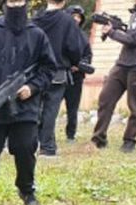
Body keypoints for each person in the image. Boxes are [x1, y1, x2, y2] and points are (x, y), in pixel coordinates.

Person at [0, 0, 57, 205]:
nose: (16, 5)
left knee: (26, 149)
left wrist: (32, 87)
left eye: (20, 1)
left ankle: (27, 192)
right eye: (12, 0)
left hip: (26, 107)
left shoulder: (37, 35)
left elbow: (49, 68)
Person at [91, 0, 136, 153]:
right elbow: (129, 34)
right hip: (123, 63)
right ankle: (98, 139)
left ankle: (129, 142)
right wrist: (115, 29)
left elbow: (134, 39)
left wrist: (112, 32)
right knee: (105, 98)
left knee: (135, 106)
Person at [32, 0, 87, 157]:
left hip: (37, 71)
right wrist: (74, 61)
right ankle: (47, 147)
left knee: (35, 108)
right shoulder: (67, 21)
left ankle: (32, 143)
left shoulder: (36, 19)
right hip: (57, 71)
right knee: (50, 110)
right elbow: (74, 48)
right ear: (63, 2)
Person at [63, 5, 92, 142]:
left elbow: (88, 55)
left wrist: (80, 66)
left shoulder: (83, 37)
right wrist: (68, 65)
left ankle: (71, 134)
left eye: (79, 17)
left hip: (76, 77)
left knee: (73, 108)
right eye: (73, 16)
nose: (76, 19)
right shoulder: (60, 33)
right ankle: (45, 134)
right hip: (60, 75)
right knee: (50, 107)